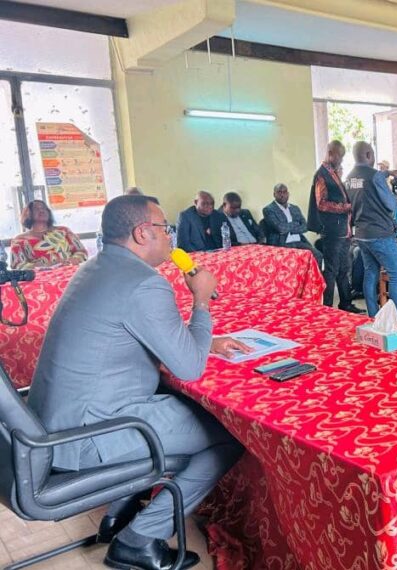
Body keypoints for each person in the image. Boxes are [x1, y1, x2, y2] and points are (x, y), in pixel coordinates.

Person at [27, 195, 247, 570]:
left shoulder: (96, 268)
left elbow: (126, 335)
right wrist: (202, 302)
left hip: (53, 426)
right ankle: (139, 538)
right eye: (165, 229)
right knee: (228, 435)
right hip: (89, 435)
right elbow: (190, 368)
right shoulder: (145, 284)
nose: (170, 237)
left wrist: (206, 340)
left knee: (184, 410)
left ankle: (121, 508)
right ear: (143, 233)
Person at [346, 141, 397, 323]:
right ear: (368, 155)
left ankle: (373, 316)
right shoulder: (375, 177)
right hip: (381, 233)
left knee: (370, 273)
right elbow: (391, 205)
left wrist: (387, 173)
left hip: (362, 234)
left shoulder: (350, 178)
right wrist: (395, 196)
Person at [308, 140, 362, 314]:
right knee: (331, 269)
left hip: (343, 231)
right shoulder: (322, 174)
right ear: (331, 153)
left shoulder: (334, 173)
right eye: (340, 156)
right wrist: (345, 207)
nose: (341, 160)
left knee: (344, 268)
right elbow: (321, 203)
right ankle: (328, 307)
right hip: (332, 231)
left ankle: (345, 303)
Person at [9, 200, 87, 270]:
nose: (42, 210)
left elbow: (82, 252)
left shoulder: (64, 231)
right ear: (28, 214)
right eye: (36, 209)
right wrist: (42, 266)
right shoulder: (19, 240)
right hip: (40, 281)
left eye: (44, 208)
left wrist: (73, 260)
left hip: (70, 273)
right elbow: (17, 265)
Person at [262, 183, 323, 265]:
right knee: (294, 260)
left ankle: (312, 278)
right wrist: (296, 223)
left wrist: (289, 228)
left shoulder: (295, 208)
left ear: (288, 193)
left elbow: (305, 226)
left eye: (285, 192)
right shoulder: (268, 209)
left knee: (317, 255)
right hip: (282, 244)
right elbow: (280, 228)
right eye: (279, 192)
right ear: (274, 194)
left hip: (299, 241)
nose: (282, 195)